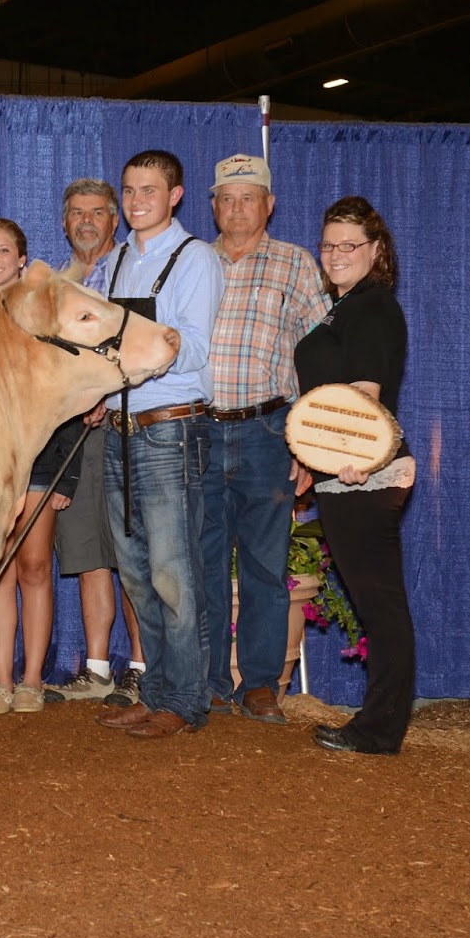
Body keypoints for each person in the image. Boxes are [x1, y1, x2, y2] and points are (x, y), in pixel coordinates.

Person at [94, 150, 222, 740]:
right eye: (129, 189)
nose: (137, 199)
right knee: (137, 572)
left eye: (150, 189)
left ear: (175, 195)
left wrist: (140, 352)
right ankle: (159, 690)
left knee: (174, 571)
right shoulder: (116, 262)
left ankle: (188, 700)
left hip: (172, 428)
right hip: (121, 427)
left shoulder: (195, 259)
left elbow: (192, 349)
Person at [201, 155, 332, 725]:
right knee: (199, 562)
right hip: (198, 428)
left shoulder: (296, 264)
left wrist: (310, 444)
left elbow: (320, 356)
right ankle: (204, 682)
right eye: (226, 199)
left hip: (268, 428)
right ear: (212, 206)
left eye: (247, 198)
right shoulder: (192, 262)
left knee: (263, 563)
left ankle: (258, 683)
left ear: (268, 204)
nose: (236, 209)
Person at [295, 196, 415, 755]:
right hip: (343, 470)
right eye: (329, 244)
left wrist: (352, 457)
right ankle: (381, 723)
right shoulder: (345, 307)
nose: (337, 254)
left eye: (350, 245)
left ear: (376, 250)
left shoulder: (369, 307)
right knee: (376, 598)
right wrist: (307, 459)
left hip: (362, 473)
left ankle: (380, 728)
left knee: (379, 601)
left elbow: (363, 397)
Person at [0, 220, 86, 715]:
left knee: (33, 566)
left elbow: (66, 388)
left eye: (3, 250)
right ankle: (2, 681)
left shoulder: (45, 310)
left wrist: (65, 475)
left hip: (42, 458)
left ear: (22, 258)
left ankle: (32, 680)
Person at [45, 179, 147, 705]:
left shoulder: (132, 273)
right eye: (77, 213)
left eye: (98, 212)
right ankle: (97, 667)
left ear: (115, 220)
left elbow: (145, 348)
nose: (86, 221)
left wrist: (109, 388)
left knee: (130, 549)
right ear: (65, 222)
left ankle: (141, 666)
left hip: (126, 425)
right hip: (73, 431)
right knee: (88, 552)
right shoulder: (59, 285)